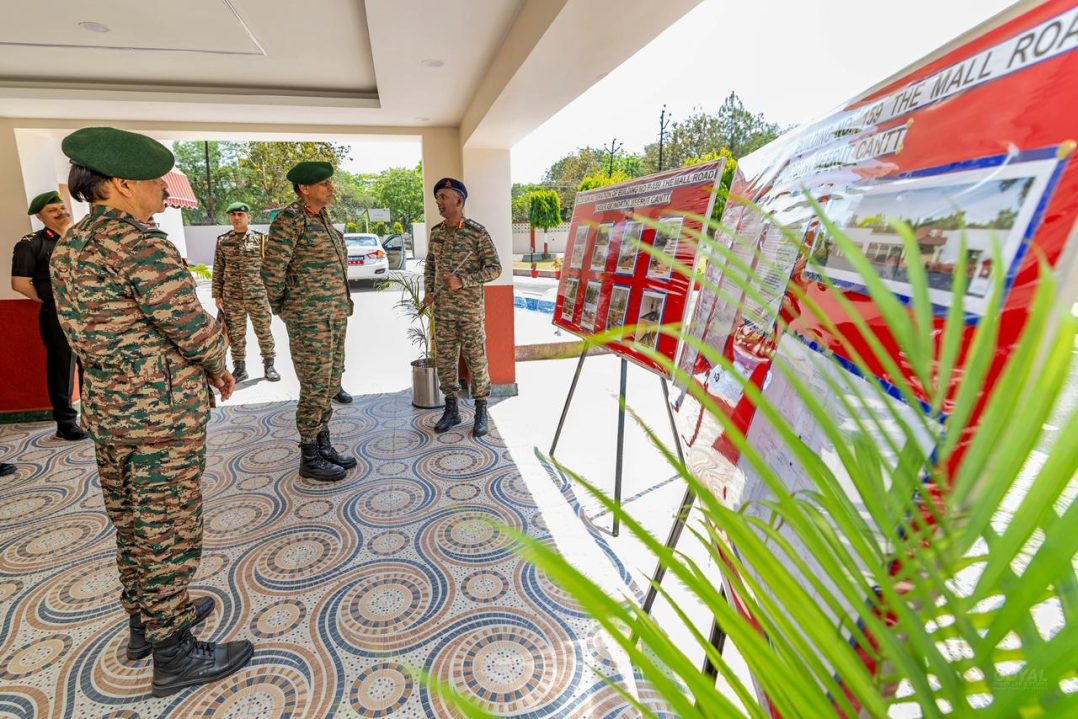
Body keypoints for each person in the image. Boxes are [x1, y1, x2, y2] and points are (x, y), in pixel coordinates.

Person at [49, 127, 253, 697]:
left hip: (112, 409)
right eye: (153, 181)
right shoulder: (139, 243)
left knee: (132, 519)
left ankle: (147, 620)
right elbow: (186, 323)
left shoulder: (73, 243)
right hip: (160, 414)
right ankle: (175, 652)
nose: (163, 189)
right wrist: (219, 363)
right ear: (119, 184)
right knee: (167, 525)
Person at [261, 161, 356, 482]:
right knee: (315, 385)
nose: (332, 188)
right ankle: (309, 455)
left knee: (330, 382)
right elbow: (272, 271)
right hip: (308, 318)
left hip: (334, 315)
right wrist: (285, 308)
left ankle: (323, 442)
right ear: (305, 189)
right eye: (325, 184)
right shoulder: (290, 221)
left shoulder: (323, 219)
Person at [424, 178, 502, 438]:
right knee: (445, 363)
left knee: (477, 362)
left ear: (459, 200)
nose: (439, 202)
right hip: (443, 313)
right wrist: (429, 292)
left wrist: (464, 281)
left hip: (469, 313)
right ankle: (451, 409)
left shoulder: (476, 233)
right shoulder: (436, 233)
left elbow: (495, 269)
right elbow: (430, 267)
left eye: (444, 197)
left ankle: (481, 410)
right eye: (438, 197)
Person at [10, 191, 87, 440]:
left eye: (63, 208)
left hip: (89, 311)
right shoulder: (32, 244)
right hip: (57, 312)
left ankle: (95, 416)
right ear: (41, 217)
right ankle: (66, 423)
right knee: (63, 368)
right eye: (54, 211)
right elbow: (20, 283)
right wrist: (51, 299)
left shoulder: (81, 239)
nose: (62, 213)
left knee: (92, 364)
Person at [212, 201, 279, 383]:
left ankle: (269, 365)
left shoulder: (261, 239)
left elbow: (271, 268)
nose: (236, 218)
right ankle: (240, 368)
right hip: (232, 296)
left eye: (240, 214)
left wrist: (273, 292)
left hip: (257, 294)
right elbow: (218, 268)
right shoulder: (223, 241)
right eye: (233, 214)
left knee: (263, 329)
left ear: (249, 217)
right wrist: (217, 295)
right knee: (235, 333)